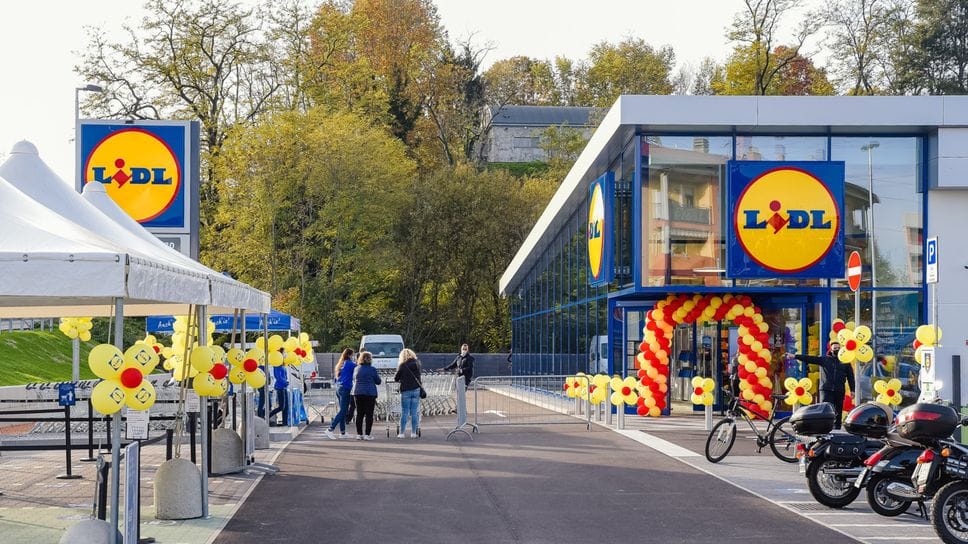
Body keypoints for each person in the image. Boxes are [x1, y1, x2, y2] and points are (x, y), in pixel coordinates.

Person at [788, 342, 854, 429]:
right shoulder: (824, 359)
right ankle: (824, 428)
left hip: (839, 389)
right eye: (835, 348)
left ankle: (837, 428)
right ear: (831, 349)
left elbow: (850, 377)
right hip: (826, 389)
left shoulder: (845, 362)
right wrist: (795, 356)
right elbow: (809, 358)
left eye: (838, 348)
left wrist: (853, 390)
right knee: (825, 409)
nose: (837, 350)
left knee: (838, 410)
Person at [324, 348, 355, 440]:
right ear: (350, 355)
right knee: (343, 411)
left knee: (342, 410)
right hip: (346, 388)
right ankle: (330, 429)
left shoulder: (340, 364)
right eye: (352, 355)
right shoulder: (350, 364)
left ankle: (342, 432)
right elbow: (358, 368)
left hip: (339, 387)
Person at [351, 351, 381, 440]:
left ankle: (359, 434)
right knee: (369, 414)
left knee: (359, 414)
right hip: (369, 393)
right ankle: (367, 434)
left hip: (357, 393)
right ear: (370, 359)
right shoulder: (372, 369)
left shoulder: (356, 369)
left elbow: (354, 379)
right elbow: (378, 381)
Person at [393, 348, 422, 439]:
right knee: (414, 412)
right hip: (416, 390)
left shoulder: (402, 365)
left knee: (405, 412)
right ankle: (413, 432)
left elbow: (396, 378)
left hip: (405, 390)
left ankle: (402, 433)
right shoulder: (417, 364)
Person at [267, 362, 290, 426]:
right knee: (281, 407)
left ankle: (285, 423)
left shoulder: (283, 366)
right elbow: (278, 377)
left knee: (286, 407)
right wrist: (285, 382)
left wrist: (286, 382)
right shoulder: (277, 366)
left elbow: (284, 376)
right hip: (280, 387)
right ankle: (267, 416)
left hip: (284, 387)